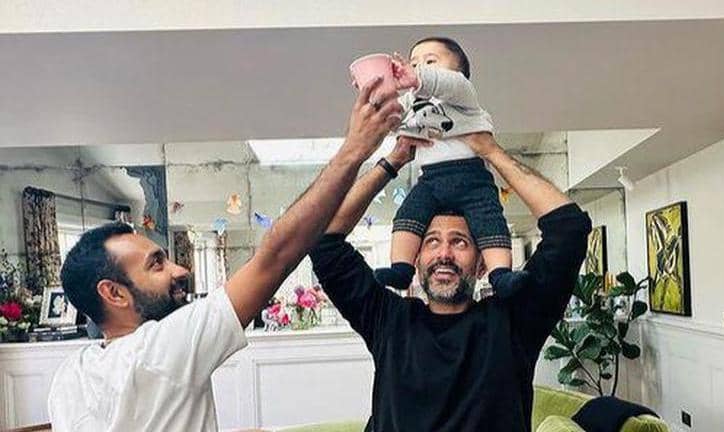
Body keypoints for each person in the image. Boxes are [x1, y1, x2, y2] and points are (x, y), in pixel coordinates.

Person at [47, 77, 405, 432]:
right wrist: (356, 149)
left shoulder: (70, 376)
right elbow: (277, 255)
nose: (180, 269)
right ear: (113, 293)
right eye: (156, 265)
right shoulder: (160, 350)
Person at [309, 132, 592, 432]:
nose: (444, 254)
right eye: (432, 241)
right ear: (416, 259)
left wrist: (491, 152)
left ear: (482, 264)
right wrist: (393, 161)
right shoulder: (388, 319)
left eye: (459, 242)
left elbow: (569, 229)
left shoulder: (513, 321)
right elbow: (322, 241)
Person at [374, 37, 528, 299]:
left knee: (489, 221)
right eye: (414, 63)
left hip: (472, 179)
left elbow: (449, 83)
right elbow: (394, 119)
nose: (419, 67)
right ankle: (401, 267)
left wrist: (418, 77)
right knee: (407, 215)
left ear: (460, 73)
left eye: (430, 61)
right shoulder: (413, 101)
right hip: (430, 180)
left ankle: (500, 274)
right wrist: (378, 95)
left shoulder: (463, 96)